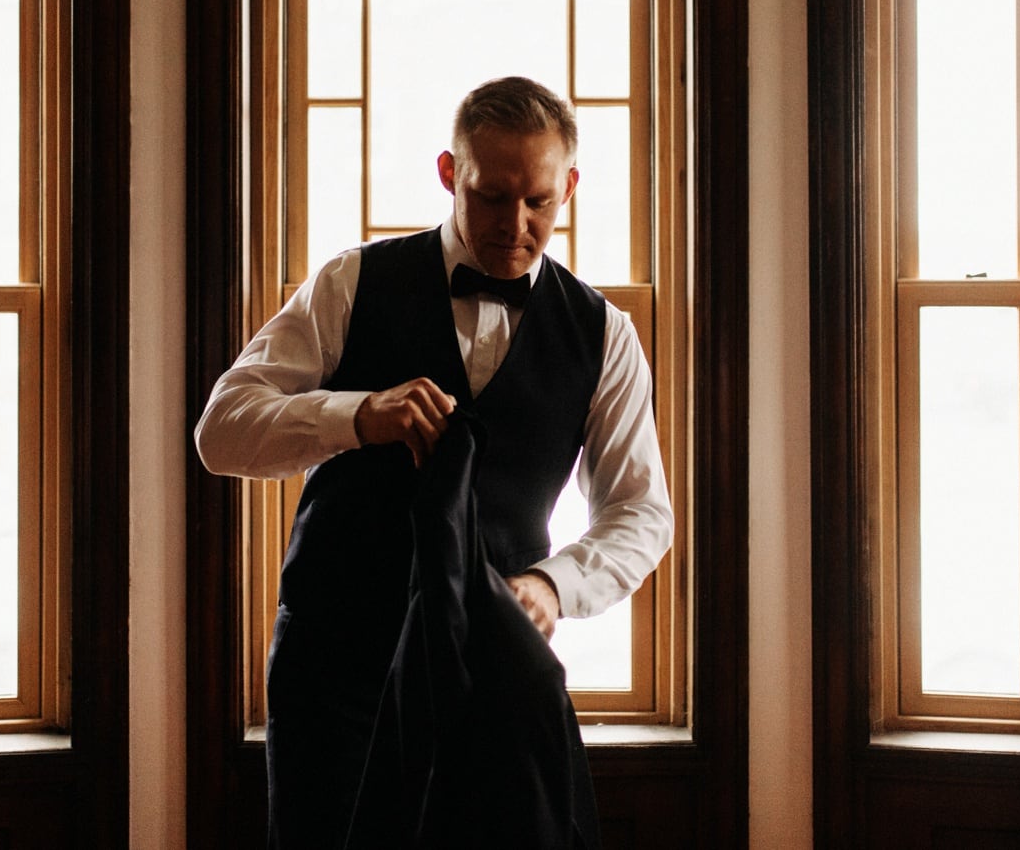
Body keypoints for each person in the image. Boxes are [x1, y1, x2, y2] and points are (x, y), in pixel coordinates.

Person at [196, 75, 673, 849]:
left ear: (571, 188)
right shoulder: (351, 283)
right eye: (490, 196)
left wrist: (554, 584)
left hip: (488, 671)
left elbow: (642, 512)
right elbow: (221, 430)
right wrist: (355, 414)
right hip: (336, 666)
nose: (515, 225)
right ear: (451, 173)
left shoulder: (604, 334)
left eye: (539, 202)